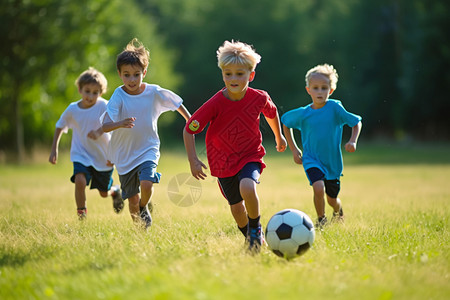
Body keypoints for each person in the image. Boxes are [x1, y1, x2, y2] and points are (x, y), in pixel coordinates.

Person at [183, 40, 287, 253]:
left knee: (248, 187)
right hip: (222, 162)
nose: (233, 78)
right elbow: (189, 129)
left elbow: (272, 113)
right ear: (222, 74)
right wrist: (193, 159)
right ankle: (250, 237)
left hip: (250, 155)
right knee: (237, 208)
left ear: (251, 75)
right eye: (228, 73)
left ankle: (256, 229)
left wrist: (279, 137)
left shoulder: (259, 97)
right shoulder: (215, 103)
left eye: (239, 73)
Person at [102, 38, 191, 230]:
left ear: (144, 72)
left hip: (148, 148)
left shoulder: (153, 92)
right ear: (119, 74)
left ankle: (144, 208)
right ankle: (141, 230)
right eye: (127, 75)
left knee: (147, 183)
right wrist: (119, 123)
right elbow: (105, 126)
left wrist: (189, 119)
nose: (132, 80)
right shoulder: (118, 95)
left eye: (136, 74)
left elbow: (176, 104)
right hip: (124, 155)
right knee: (132, 200)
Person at [281, 64, 362, 228]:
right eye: (315, 88)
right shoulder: (304, 113)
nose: (320, 92)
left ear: (330, 90)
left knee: (332, 199)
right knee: (318, 188)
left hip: (332, 163)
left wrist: (353, 140)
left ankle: (338, 210)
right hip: (311, 159)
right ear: (308, 90)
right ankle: (321, 220)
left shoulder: (335, 108)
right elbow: (285, 122)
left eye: (324, 88)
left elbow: (356, 122)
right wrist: (294, 149)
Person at [49, 67, 123, 220]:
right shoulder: (72, 109)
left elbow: (115, 127)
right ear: (80, 89)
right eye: (87, 91)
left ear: (101, 93)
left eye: (95, 92)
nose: (90, 96)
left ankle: (115, 192)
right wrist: (54, 149)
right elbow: (59, 126)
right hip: (81, 153)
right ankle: (81, 213)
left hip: (103, 156)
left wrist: (110, 149)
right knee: (79, 180)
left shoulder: (104, 106)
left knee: (104, 193)